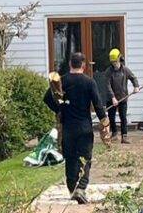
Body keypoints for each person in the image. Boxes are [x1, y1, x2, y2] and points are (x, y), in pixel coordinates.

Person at [43, 52, 102, 203]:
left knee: (70, 158)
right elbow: (97, 104)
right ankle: (81, 188)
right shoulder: (89, 82)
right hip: (84, 127)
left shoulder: (61, 81)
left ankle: (72, 188)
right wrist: (105, 122)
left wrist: (59, 109)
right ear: (83, 65)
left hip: (68, 127)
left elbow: (47, 98)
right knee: (85, 158)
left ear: (70, 64)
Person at [103, 48, 140, 144]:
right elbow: (107, 85)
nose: (114, 63)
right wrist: (112, 97)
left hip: (123, 97)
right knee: (111, 117)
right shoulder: (108, 72)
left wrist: (136, 86)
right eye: (112, 62)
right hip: (111, 99)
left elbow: (133, 78)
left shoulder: (125, 70)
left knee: (123, 117)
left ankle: (124, 136)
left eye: (115, 61)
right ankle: (114, 133)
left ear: (119, 58)